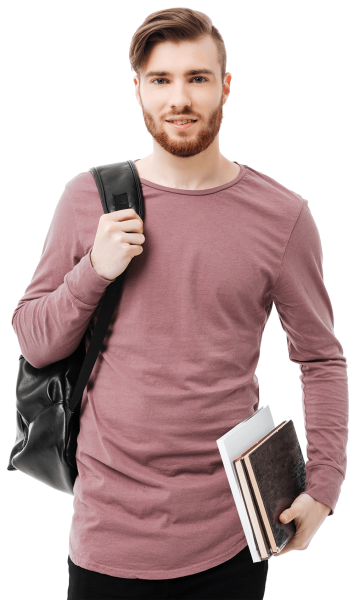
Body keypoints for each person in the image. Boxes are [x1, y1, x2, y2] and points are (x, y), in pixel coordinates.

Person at [11, 8, 349, 600]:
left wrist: (322, 486)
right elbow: (36, 340)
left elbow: (321, 359)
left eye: (197, 78)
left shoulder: (284, 216)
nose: (180, 98)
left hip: (232, 533)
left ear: (224, 86)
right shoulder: (88, 198)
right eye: (161, 79)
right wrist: (95, 270)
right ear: (138, 88)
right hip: (107, 532)